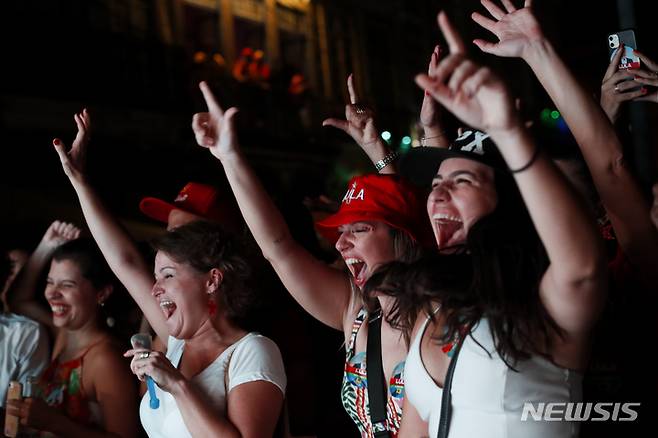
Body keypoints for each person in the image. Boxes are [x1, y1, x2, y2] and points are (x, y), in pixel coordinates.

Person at [365, 9, 607, 437]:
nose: (437, 194)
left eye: (462, 181)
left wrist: (506, 129)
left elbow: (582, 267)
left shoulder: (544, 306)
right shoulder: (431, 307)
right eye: (436, 183)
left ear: (508, 201)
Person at [191, 80, 431, 437]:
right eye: (341, 232)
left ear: (402, 239)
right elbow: (278, 247)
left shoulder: (440, 317)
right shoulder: (356, 312)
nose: (341, 245)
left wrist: (382, 151)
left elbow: (408, 215)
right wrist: (230, 156)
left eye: (359, 231)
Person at [51, 116, 286, 437]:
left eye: (169, 272)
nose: (155, 287)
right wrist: (80, 182)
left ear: (212, 276)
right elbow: (125, 262)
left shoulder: (252, 351)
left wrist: (176, 383)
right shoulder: (176, 342)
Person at [6, 221, 139, 438]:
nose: (52, 294)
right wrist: (46, 246)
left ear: (102, 294)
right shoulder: (64, 333)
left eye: (67, 285)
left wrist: (57, 424)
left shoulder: (106, 359)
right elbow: (17, 300)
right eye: (50, 282)